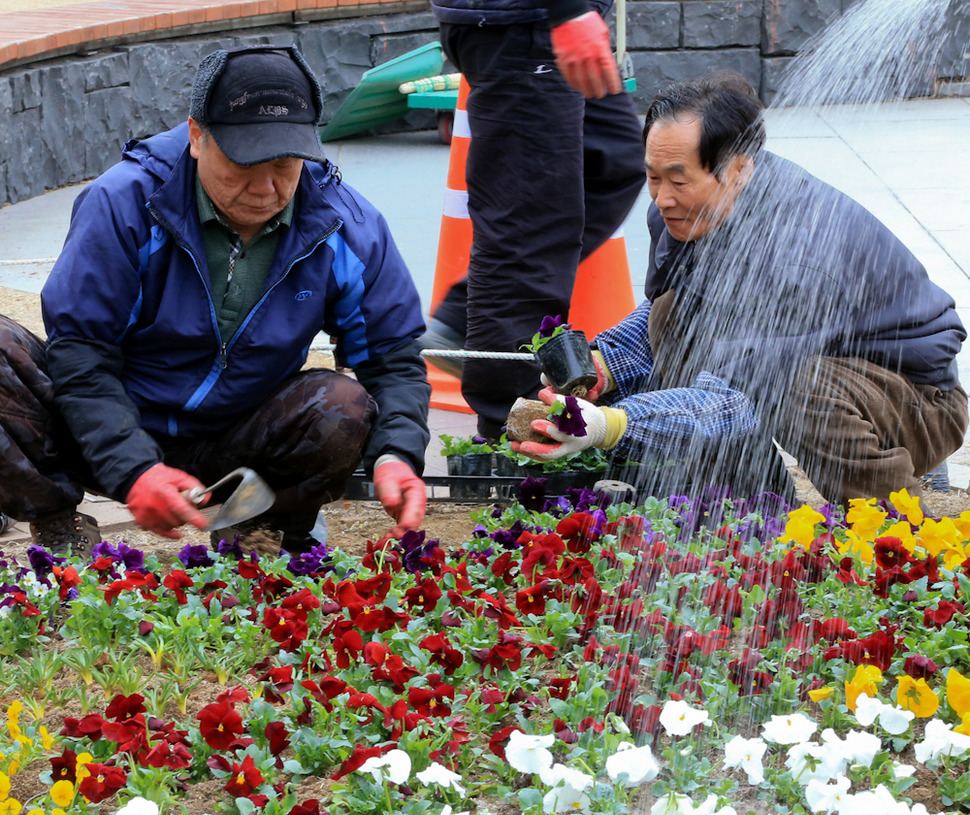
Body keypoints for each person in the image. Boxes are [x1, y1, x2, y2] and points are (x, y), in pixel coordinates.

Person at [0, 45, 430, 558]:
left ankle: (260, 533)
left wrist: (397, 455)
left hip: (238, 444)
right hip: (104, 424)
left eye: (286, 165)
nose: (266, 188)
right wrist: (134, 468)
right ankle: (57, 523)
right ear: (197, 137)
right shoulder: (126, 203)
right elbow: (82, 353)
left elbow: (393, 357)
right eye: (245, 163)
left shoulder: (348, 226)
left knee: (342, 405)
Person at [513, 73, 968, 507]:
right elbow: (672, 308)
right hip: (811, 366)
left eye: (678, 179)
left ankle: (894, 536)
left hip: (918, 401)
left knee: (795, 391)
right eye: (653, 176)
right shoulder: (685, 213)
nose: (661, 197)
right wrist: (607, 366)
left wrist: (613, 424)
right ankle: (747, 516)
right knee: (670, 313)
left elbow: (738, 398)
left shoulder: (795, 257)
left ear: (738, 170)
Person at [424, 0, 646, 437]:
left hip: (540, 21)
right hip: (528, 22)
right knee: (529, 228)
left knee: (611, 161)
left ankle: (463, 326)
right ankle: (509, 427)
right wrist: (569, 11)